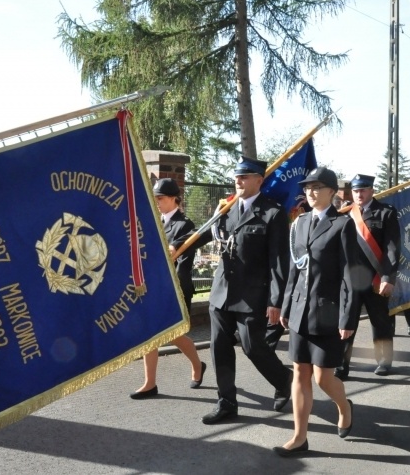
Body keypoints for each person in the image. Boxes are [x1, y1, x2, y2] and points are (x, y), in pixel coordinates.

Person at [192, 156, 292, 424]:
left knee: (252, 346)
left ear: (259, 180)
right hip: (222, 292)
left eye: (245, 176)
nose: (238, 180)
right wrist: (176, 245)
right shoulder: (225, 209)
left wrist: (275, 300)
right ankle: (226, 403)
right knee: (219, 348)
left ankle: (284, 379)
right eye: (237, 176)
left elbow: (279, 261)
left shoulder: (273, 213)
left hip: (252, 294)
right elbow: (201, 235)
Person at [275, 167, 361, 457]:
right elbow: (294, 270)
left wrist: (348, 317)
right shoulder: (299, 223)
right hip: (300, 309)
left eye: (317, 187)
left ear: (332, 192)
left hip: (328, 312)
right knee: (300, 372)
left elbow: (351, 275)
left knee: (323, 378)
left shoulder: (342, 224)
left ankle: (344, 406)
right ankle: (299, 437)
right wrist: (286, 304)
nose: (311, 192)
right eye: (308, 188)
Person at [130, 178, 206, 399]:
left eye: (161, 198)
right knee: (150, 334)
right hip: (153, 287)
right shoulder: (153, 221)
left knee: (174, 335)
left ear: (175, 198)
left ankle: (197, 365)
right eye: (155, 199)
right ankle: (150, 383)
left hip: (174, 289)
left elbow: (173, 254)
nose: (157, 202)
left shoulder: (185, 224)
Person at [336, 174, 400, 378]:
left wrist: (387, 278)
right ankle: (341, 363)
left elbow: (392, 249)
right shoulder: (344, 214)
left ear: (372, 190)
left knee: (380, 322)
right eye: (355, 190)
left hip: (375, 278)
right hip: (350, 279)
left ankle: (383, 361)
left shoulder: (385, 213)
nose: (359, 194)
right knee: (346, 321)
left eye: (363, 190)